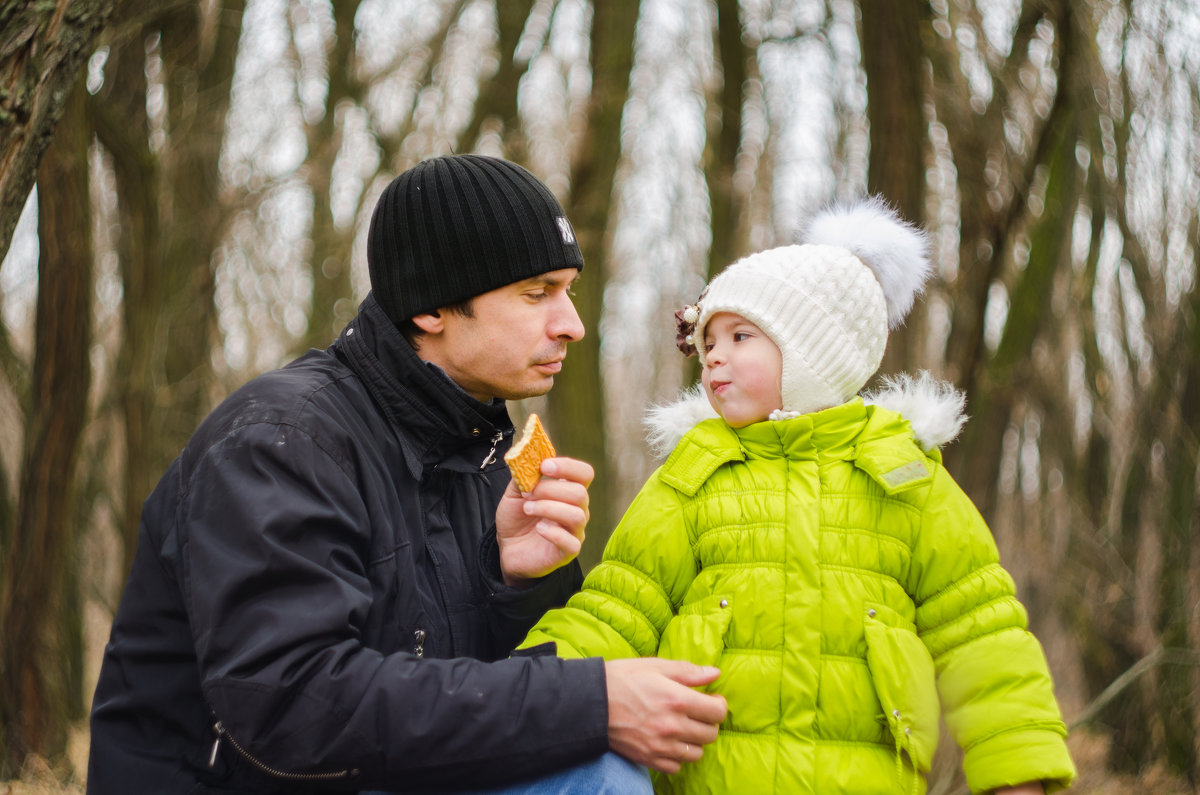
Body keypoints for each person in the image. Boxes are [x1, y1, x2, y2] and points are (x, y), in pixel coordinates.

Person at [87, 154, 727, 794]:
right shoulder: (280, 441)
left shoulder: (479, 444)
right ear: (431, 308)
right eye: (537, 294)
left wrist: (513, 585)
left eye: (569, 291)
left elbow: (470, 707)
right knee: (597, 774)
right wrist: (594, 701)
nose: (572, 325)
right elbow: (294, 708)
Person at [517, 198, 1077, 794]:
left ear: (816, 353)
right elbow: (620, 606)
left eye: (740, 335)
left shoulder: (903, 477)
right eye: (708, 341)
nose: (715, 357)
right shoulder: (697, 475)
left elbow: (979, 633)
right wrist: (518, 692)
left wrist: (1018, 771)